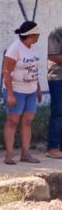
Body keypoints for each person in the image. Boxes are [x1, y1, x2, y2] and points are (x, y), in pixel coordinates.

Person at [2, 21, 42, 165]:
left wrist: (38, 87)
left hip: (30, 90)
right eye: (37, 34)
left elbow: (33, 68)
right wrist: (10, 94)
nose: (38, 37)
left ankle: (25, 153)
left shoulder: (32, 48)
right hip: (17, 90)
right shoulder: (14, 49)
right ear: (30, 35)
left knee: (28, 121)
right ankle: (9, 154)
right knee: (12, 121)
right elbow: (6, 72)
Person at [46, 26, 62, 159]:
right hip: (58, 79)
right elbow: (53, 56)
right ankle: (52, 148)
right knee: (58, 112)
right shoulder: (57, 32)